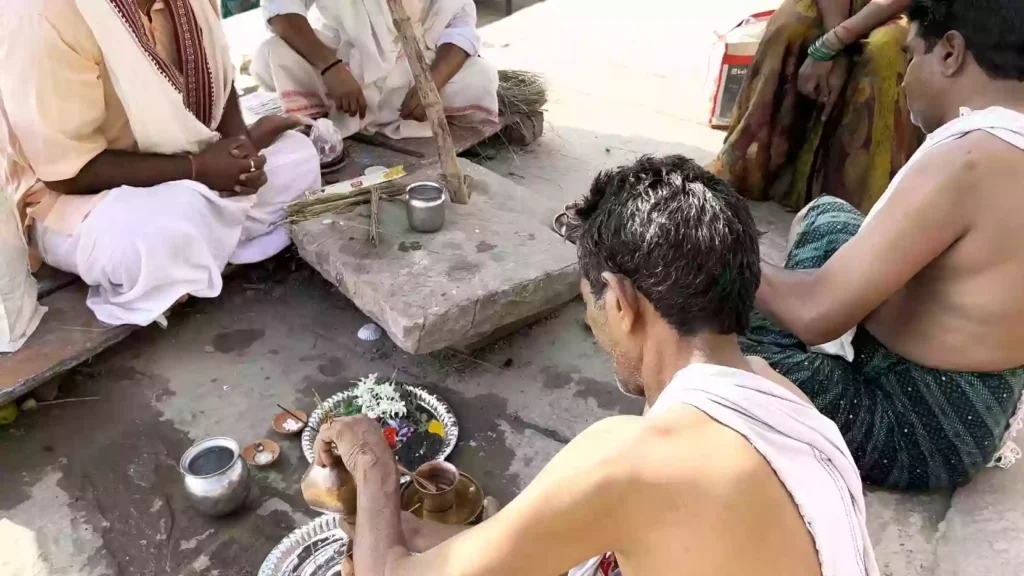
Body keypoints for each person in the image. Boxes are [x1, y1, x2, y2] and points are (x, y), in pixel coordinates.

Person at [313, 156, 879, 576]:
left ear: (618, 300)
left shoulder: (632, 460)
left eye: (591, 306)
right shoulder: (778, 391)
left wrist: (373, 466)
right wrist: (413, 530)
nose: (594, 326)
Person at [740, 0, 1024, 492]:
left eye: (912, 55)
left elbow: (815, 312)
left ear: (951, 53)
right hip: (985, 394)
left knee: (695, 340)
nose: (905, 75)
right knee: (828, 216)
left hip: (917, 421)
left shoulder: (970, 158)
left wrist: (713, 248)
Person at [0, 0, 321, 327]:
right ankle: (197, 248)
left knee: (296, 159)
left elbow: (218, 78)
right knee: (158, 230)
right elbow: (64, 173)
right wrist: (198, 169)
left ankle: (191, 258)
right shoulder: (43, 13)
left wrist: (241, 151)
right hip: (79, 200)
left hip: (192, 169)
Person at [710, 0, 925, 213]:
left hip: (910, 9)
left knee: (882, 51)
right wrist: (833, 48)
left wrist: (832, 42)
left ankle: (852, 204)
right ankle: (753, 168)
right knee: (791, 24)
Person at [252, 0, 499, 140]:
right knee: (272, 53)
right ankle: (328, 116)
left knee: (480, 78)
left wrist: (433, 82)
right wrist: (329, 66)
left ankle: (341, 115)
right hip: (346, 62)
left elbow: (461, 24)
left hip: (416, 65)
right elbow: (280, 8)